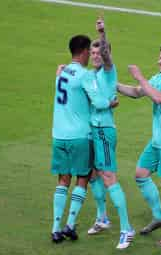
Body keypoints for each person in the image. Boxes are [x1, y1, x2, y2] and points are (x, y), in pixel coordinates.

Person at [56, 18, 134, 249]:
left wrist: (102, 34)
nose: (96, 55)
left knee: (108, 177)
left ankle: (127, 229)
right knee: (91, 175)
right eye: (93, 52)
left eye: (100, 52)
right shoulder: (89, 75)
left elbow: (107, 56)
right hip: (89, 132)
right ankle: (102, 218)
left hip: (103, 131)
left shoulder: (109, 72)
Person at [117, 44, 161, 246]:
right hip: (158, 140)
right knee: (141, 175)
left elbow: (159, 98)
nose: (159, 61)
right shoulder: (159, 78)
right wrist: (112, 83)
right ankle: (159, 218)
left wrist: (139, 76)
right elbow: (136, 92)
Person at [50, 34, 93, 243]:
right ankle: (70, 225)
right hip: (79, 136)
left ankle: (55, 228)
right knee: (82, 178)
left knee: (62, 180)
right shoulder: (85, 75)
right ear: (84, 51)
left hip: (59, 135)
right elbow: (99, 101)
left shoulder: (60, 73)